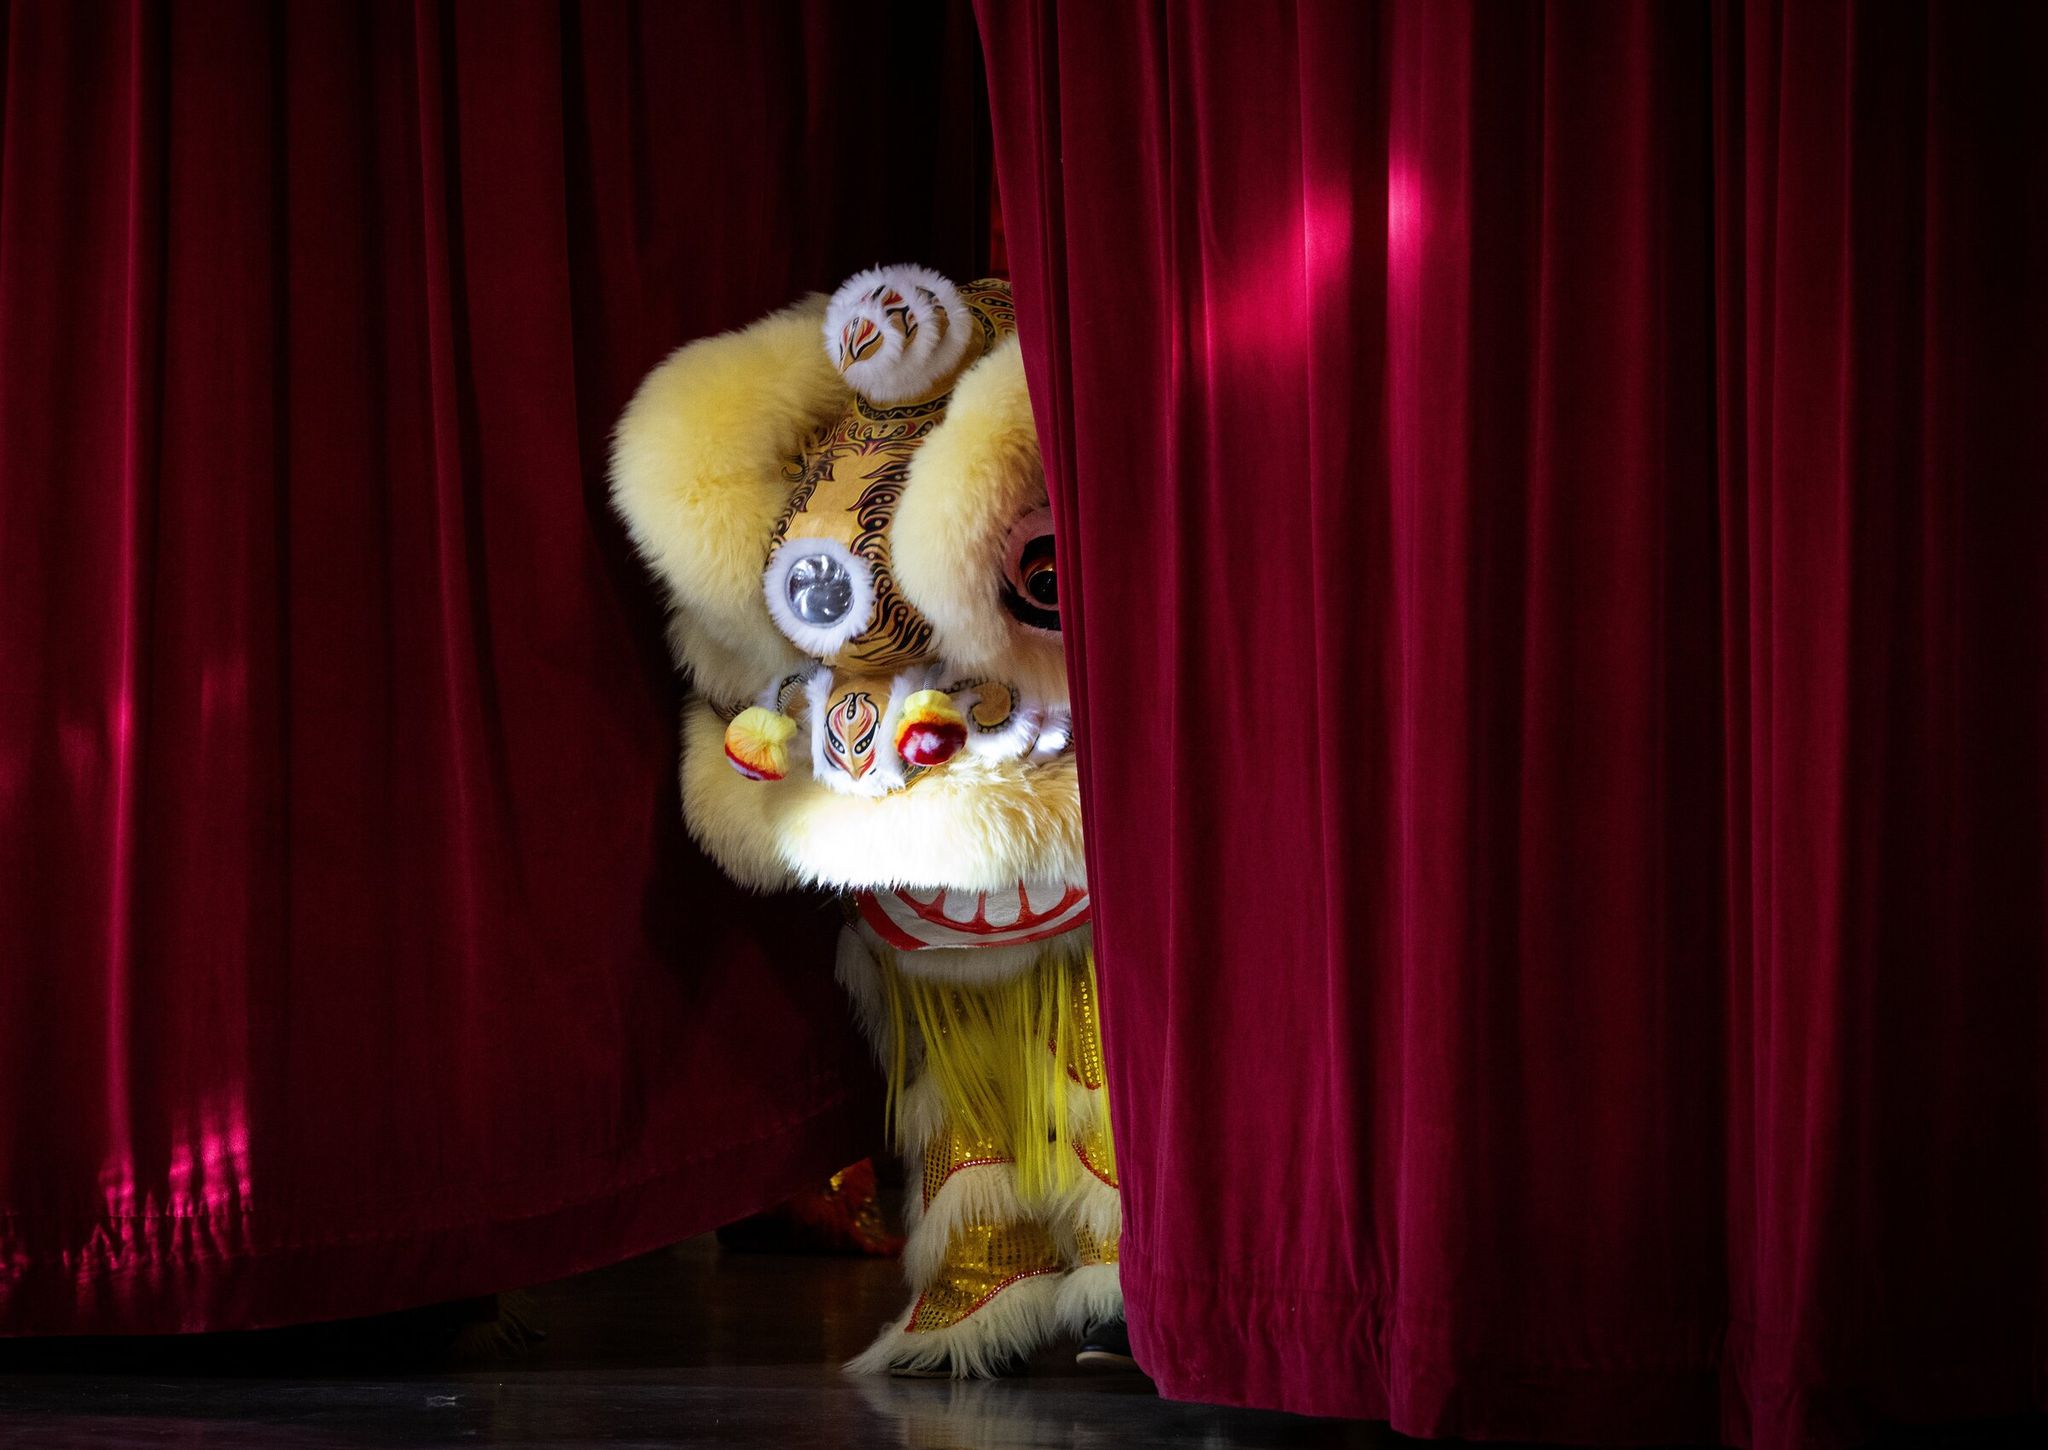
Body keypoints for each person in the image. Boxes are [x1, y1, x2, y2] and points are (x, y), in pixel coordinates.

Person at [612, 266, 1127, 1377]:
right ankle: (990, 1269)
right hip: (915, 878)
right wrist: (775, 755)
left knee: (1094, 1074)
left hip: (1033, 841)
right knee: (955, 1104)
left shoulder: (1002, 533)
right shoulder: (810, 574)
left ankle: (1123, 1268)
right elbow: (765, 709)